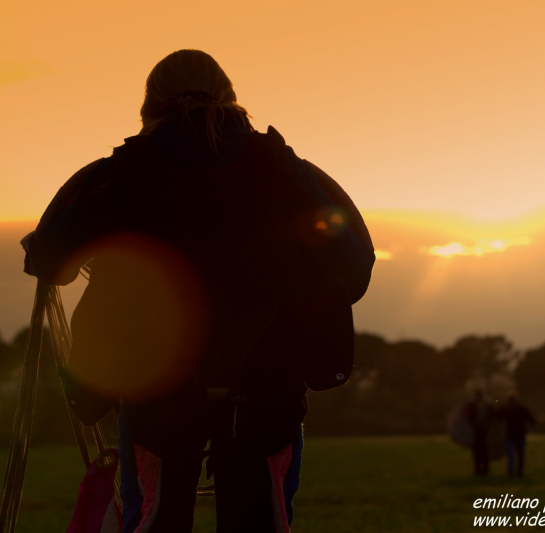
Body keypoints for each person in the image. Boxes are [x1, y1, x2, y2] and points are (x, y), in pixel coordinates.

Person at [23, 49, 374, 533]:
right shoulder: (285, 169)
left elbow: (48, 261)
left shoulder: (120, 173)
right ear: (231, 98)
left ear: (150, 104)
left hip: (154, 395)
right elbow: (356, 267)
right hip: (269, 392)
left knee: (154, 519)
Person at [498, 390, 536, 477]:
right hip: (511, 436)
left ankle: (519, 472)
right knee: (512, 456)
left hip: (520, 436)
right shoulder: (506, 410)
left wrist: (528, 425)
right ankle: (511, 472)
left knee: (520, 456)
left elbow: (532, 420)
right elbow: (498, 416)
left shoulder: (522, 409)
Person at [464, 390, 494, 475]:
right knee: (482, 451)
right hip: (480, 431)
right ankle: (481, 469)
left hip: (481, 431)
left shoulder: (474, 405)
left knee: (481, 451)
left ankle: (481, 469)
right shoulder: (482, 404)